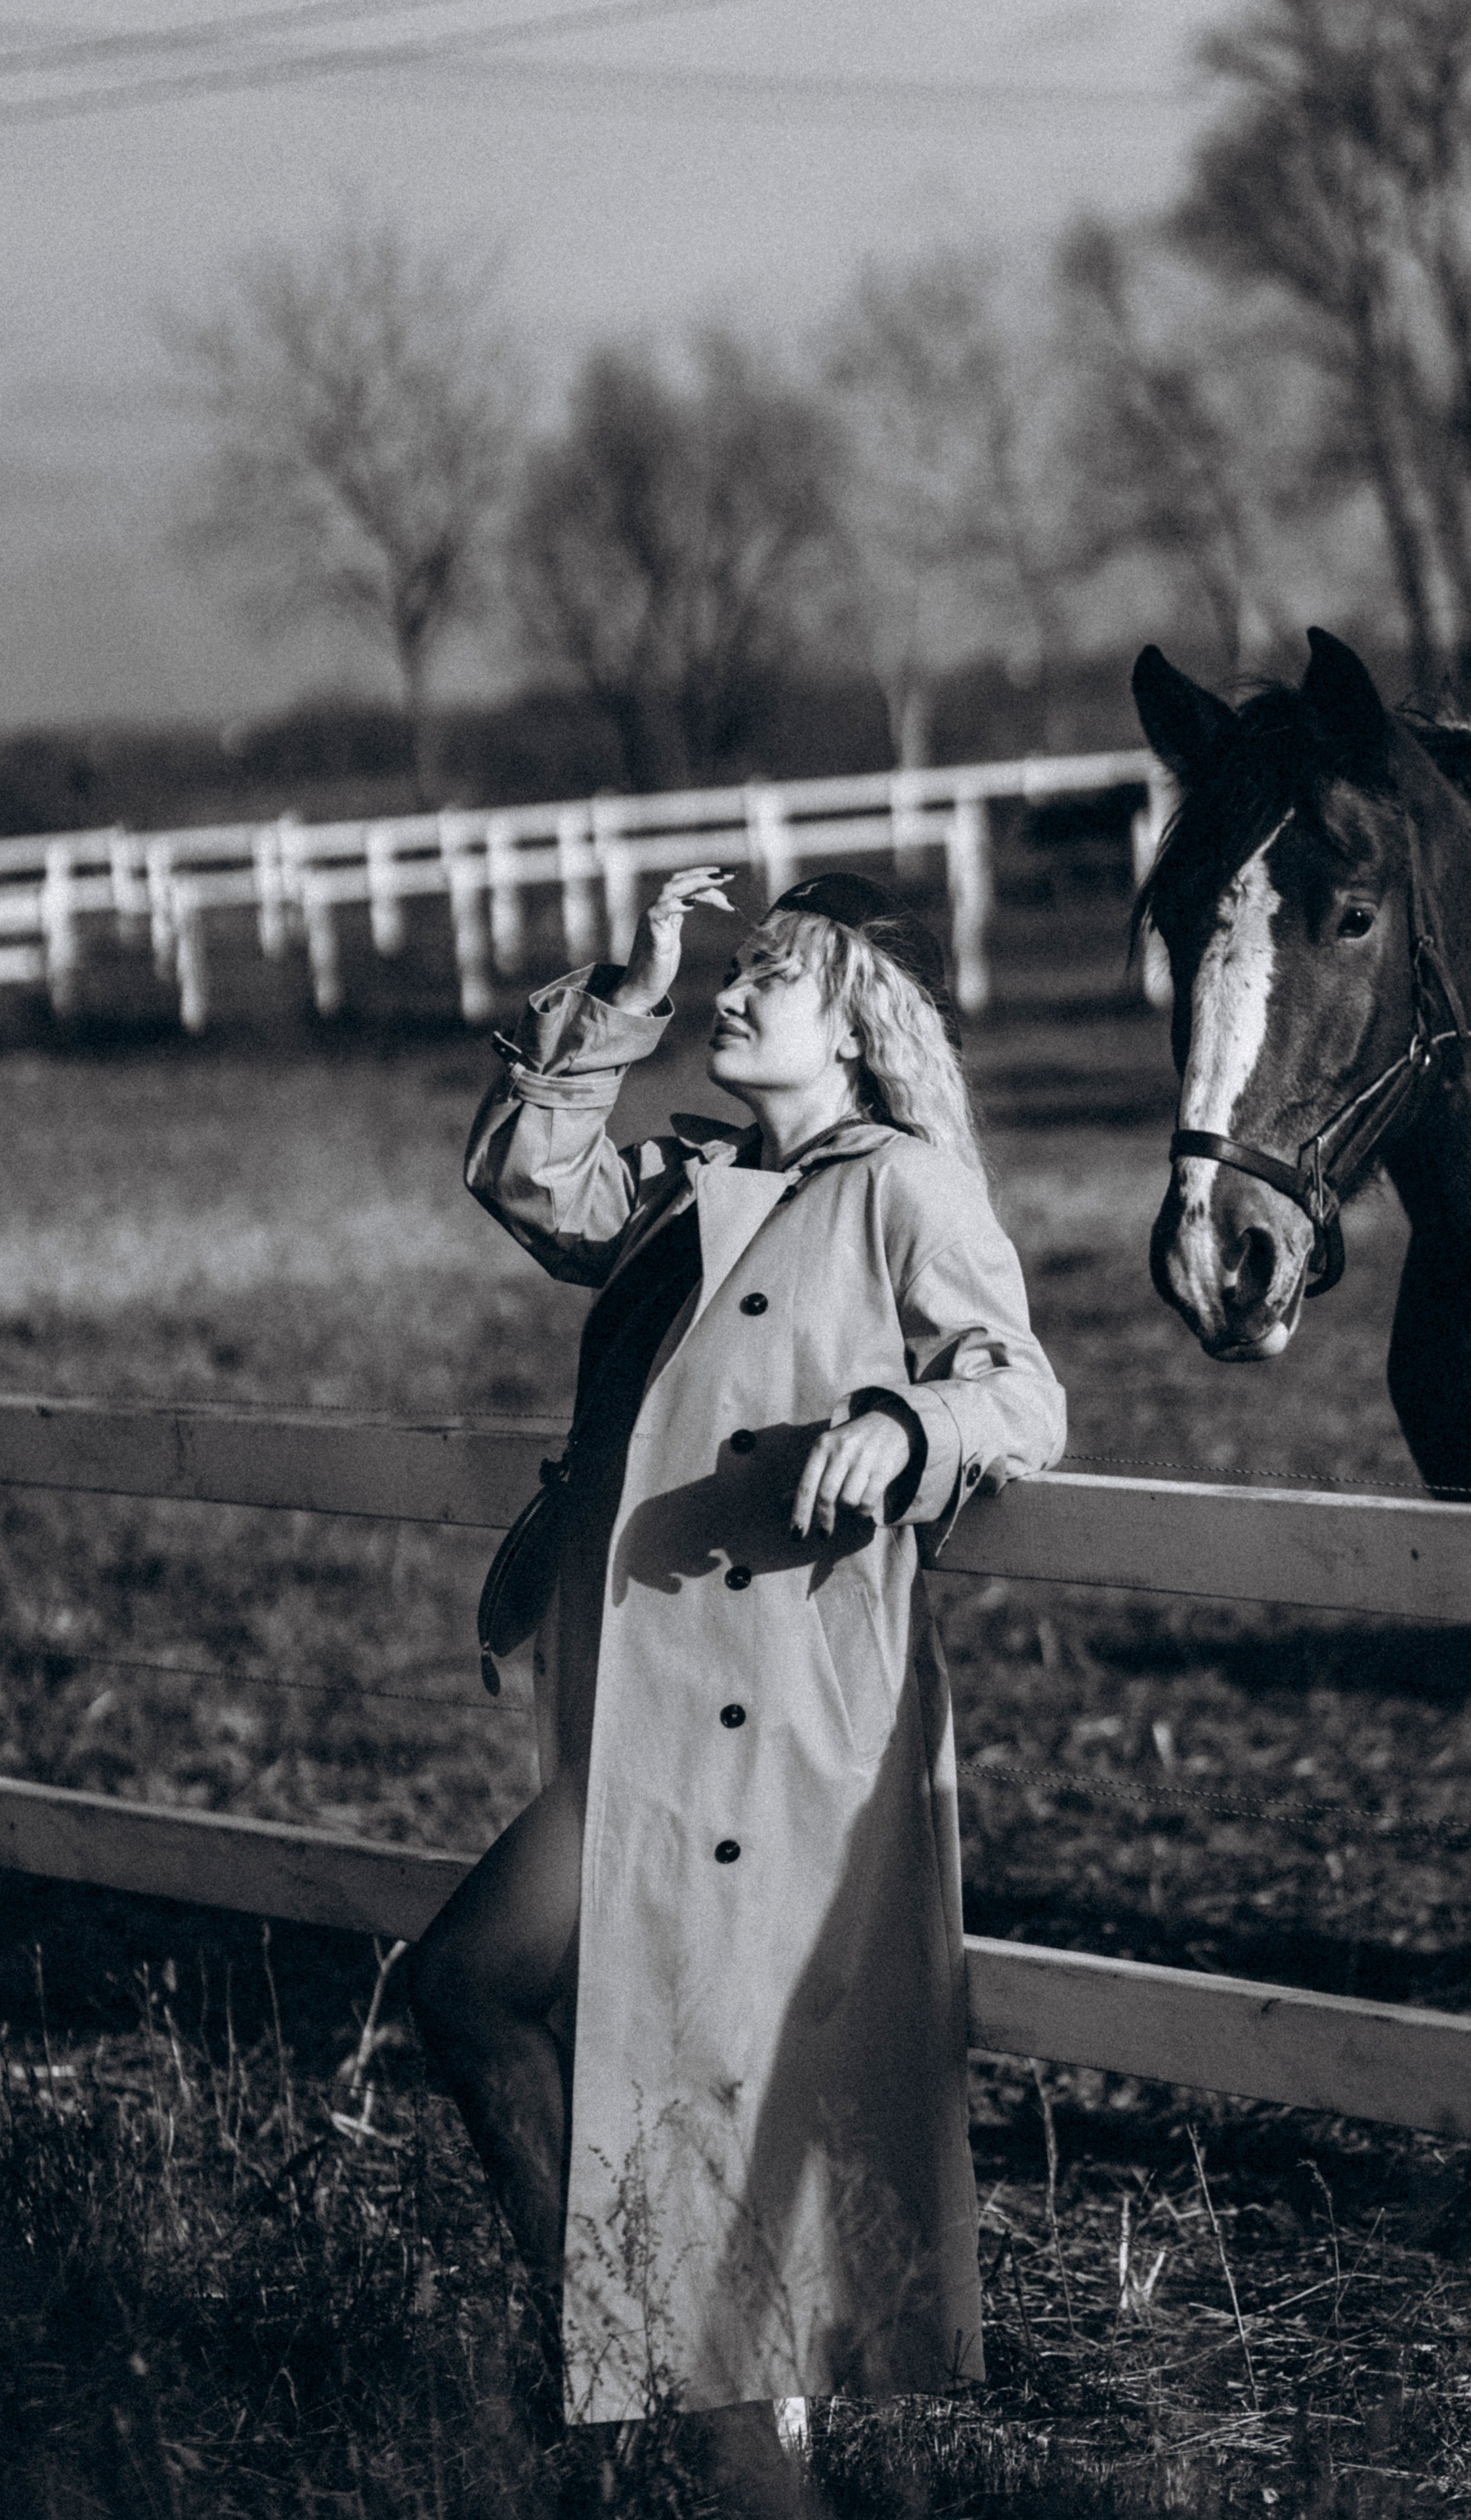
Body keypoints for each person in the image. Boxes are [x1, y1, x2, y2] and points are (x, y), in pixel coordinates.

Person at [409, 865, 1065, 2488]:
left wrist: (902, 1425)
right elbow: (527, 1173)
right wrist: (629, 989)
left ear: (856, 1029)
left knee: (688, 2083)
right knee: (472, 1991)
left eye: (779, 971)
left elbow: (1019, 1391)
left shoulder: (899, 1184)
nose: (738, 985)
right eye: (739, 960)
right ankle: (631, 2354)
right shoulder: (683, 1184)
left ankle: (692, 2423)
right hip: (641, 1716)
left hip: (774, 1723)